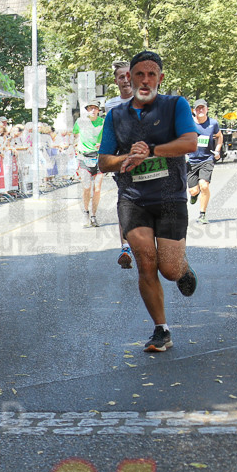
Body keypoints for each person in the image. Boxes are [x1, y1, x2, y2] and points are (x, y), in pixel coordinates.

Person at [97, 50, 198, 353]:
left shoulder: (175, 105)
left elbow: (189, 142)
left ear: (160, 78)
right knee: (145, 262)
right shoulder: (116, 115)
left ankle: (181, 268)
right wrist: (127, 158)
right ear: (129, 77)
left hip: (170, 197)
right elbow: (103, 162)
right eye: (138, 74)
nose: (144, 80)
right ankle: (161, 330)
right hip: (133, 198)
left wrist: (150, 152)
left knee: (168, 268)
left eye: (151, 74)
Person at [104, 61, 135, 268]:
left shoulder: (147, 100)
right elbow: (109, 135)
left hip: (148, 159)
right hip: (124, 162)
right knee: (124, 204)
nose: (125, 80)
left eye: (128, 75)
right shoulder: (110, 105)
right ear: (116, 81)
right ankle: (125, 247)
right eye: (121, 77)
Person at [187, 99, 222, 224]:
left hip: (207, 159)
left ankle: (202, 214)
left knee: (204, 185)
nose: (200, 110)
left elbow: (219, 136)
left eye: (202, 108)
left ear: (207, 109)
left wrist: (217, 150)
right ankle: (194, 195)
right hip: (191, 160)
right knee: (194, 190)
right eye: (197, 108)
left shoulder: (213, 123)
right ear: (194, 111)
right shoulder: (188, 123)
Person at [73, 100, 105, 227]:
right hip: (84, 157)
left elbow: (108, 137)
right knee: (86, 187)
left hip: (98, 157)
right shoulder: (80, 122)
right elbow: (75, 135)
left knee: (97, 189)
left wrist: (102, 145)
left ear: (98, 110)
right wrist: (75, 147)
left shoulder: (103, 122)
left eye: (95, 108)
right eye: (90, 108)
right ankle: (85, 212)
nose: (92, 110)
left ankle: (93, 215)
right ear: (87, 110)